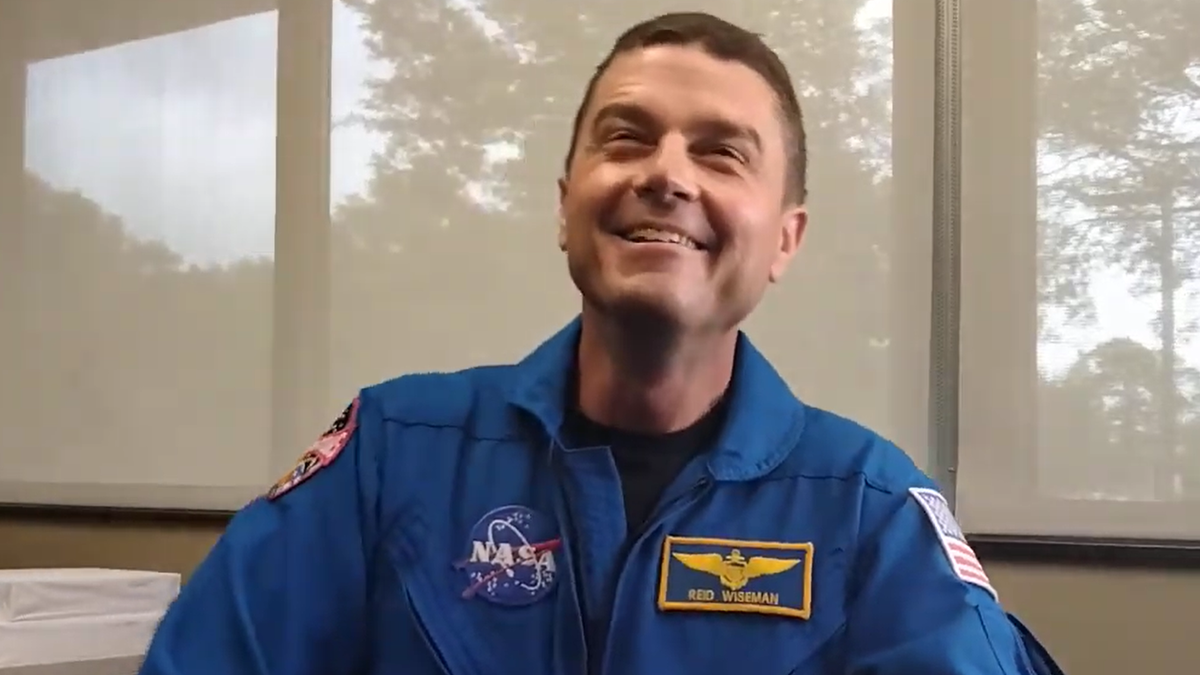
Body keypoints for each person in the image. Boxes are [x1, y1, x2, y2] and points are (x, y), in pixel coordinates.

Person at [138, 11, 1065, 675]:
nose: (665, 175)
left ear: (785, 237)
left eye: (720, 153)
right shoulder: (388, 453)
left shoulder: (871, 509)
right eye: (627, 137)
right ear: (566, 202)